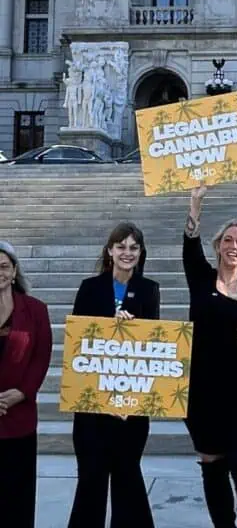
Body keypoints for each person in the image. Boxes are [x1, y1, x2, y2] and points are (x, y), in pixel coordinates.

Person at [183, 185, 237, 528]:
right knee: (212, 465)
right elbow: (190, 244)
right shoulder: (201, 279)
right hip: (201, 391)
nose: (234, 246)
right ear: (218, 245)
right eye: (228, 240)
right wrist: (196, 202)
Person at [67, 221, 160, 528]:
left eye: (133, 247)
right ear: (109, 251)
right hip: (92, 406)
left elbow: (153, 345)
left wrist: (133, 329)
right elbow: (79, 342)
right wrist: (110, 322)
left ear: (141, 252)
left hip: (129, 408)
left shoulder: (149, 290)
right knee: (91, 480)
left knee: (127, 479)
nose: (127, 253)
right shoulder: (90, 288)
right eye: (121, 247)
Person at [0, 239, 52, 528]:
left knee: (17, 500)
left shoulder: (35, 310)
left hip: (18, 415)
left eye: (4, 266)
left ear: (14, 270)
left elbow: (41, 357)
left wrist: (22, 392)